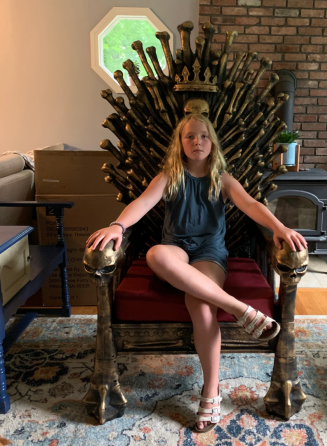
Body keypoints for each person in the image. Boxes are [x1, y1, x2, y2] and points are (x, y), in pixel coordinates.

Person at [86, 113, 307, 433]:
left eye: (203, 136)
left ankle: (211, 390)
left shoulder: (222, 178)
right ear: (180, 143)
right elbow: (143, 202)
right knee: (154, 254)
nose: (197, 142)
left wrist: (279, 227)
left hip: (209, 254)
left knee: (202, 304)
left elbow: (251, 205)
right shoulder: (169, 175)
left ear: (212, 142)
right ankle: (240, 309)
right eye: (189, 136)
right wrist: (118, 225)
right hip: (175, 250)